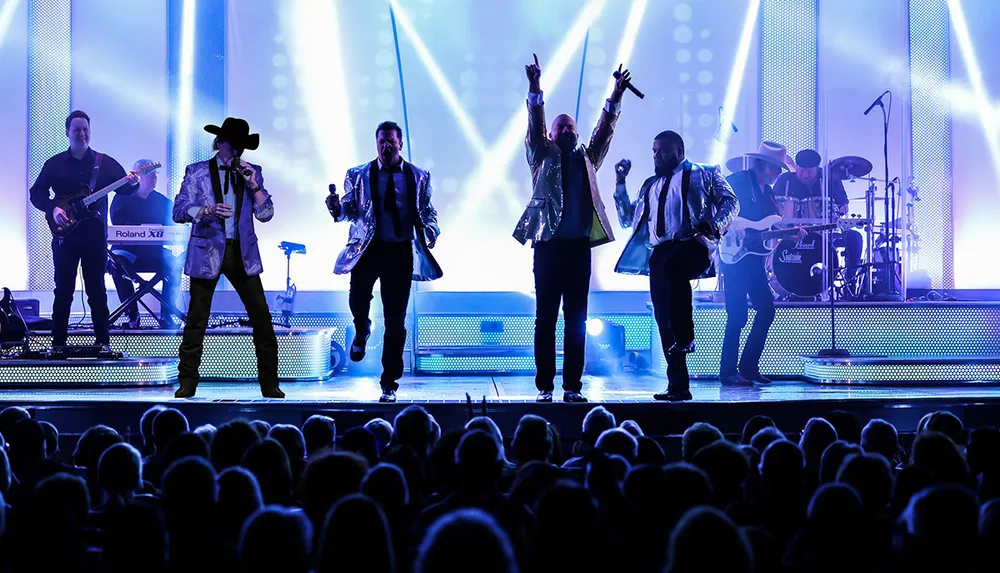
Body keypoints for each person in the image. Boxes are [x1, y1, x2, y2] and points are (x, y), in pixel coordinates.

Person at [513, 53, 632, 403]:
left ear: (577, 134)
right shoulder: (540, 154)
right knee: (545, 318)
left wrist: (616, 95)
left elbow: (604, 130)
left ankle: (572, 387)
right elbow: (534, 124)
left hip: (579, 249)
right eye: (559, 127)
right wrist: (535, 88)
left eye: (570, 128)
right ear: (550, 134)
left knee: (576, 319)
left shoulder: (587, 158)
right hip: (548, 247)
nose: (565, 130)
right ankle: (545, 387)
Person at [613, 131, 738, 402]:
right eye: (654, 151)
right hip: (660, 253)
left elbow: (730, 202)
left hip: (693, 244)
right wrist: (620, 183)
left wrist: (715, 225)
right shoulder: (650, 185)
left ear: (680, 151)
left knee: (674, 266)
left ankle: (685, 336)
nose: (657, 155)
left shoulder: (704, 173)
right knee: (662, 317)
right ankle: (678, 386)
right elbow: (626, 219)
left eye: (664, 151)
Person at [326, 121, 442, 403]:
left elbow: (428, 212)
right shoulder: (357, 174)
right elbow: (350, 210)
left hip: (399, 251)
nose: (386, 146)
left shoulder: (419, 176)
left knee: (396, 320)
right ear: (376, 143)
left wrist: (430, 230)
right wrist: (337, 209)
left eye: (391, 141)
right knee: (358, 297)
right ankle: (362, 329)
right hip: (367, 248)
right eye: (381, 141)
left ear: (400, 143)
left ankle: (389, 382)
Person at [171, 117, 282, 399]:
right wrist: (206, 210)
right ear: (220, 143)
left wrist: (254, 184)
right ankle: (187, 382)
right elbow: (179, 210)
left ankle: (270, 383)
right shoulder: (196, 172)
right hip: (207, 251)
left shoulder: (251, 172)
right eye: (233, 145)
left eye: (241, 147)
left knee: (261, 317)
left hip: (242, 253)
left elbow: (266, 214)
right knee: (197, 319)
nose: (237, 152)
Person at [28, 110, 139, 349]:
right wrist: (53, 209)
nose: (82, 133)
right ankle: (57, 345)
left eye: (86, 129)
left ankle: (103, 344)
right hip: (64, 237)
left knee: (97, 290)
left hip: (94, 236)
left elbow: (125, 190)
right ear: (67, 132)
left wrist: (134, 182)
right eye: (77, 129)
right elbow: (36, 194)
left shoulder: (104, 163)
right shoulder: (54, 164)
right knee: (63, 290)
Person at [720, 142, 801, 386]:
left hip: (753, 260)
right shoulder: (737, 181)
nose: (778, 173)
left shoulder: (770, 194)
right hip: (733, 257)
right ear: (763, 164)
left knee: (766, 310)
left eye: (780, 168)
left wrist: (789, 234)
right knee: (737, 316)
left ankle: (748, 366)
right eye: (775, 167)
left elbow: (768, 229)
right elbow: (717, 206)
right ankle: (727, 372)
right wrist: (730, 226)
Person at [773, 149, 863, 284]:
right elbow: (773, 205)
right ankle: (775, 278)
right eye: (801, 171)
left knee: (855, 238)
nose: (804, 175)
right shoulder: (785, 179)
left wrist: (836, 213)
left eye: (809, 172)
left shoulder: (831, 178)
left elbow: (844, 206)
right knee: (768, 234)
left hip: (826, 232)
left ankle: (850, 281)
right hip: (792, 232)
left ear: (817, 169)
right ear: (796, 168)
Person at [109, 160, 181, 328]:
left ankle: (167, 315)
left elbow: (175, 223)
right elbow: (118, 225)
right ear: (137, 176)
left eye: (155, 174)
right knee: (116, 264)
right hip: (128, 252)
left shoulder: (163, 202)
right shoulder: (122, 198)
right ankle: (132, 315)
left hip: (153, 253)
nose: (154, 178)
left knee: (174, 264)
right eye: (149, 174)